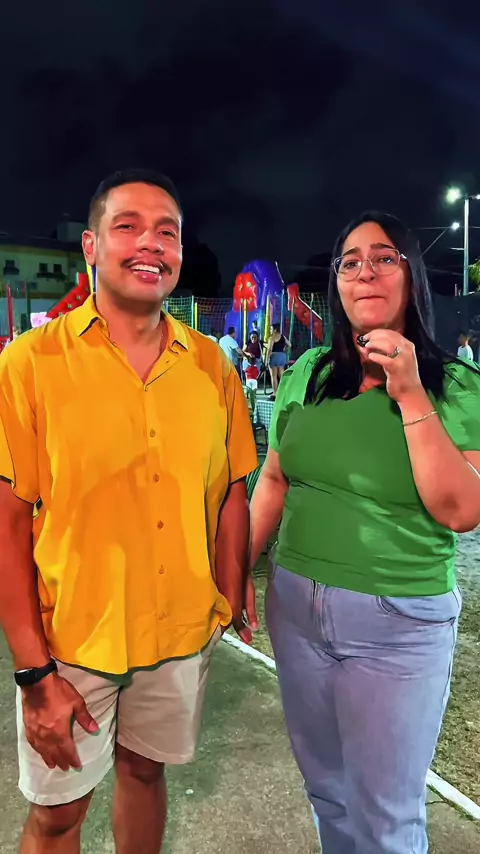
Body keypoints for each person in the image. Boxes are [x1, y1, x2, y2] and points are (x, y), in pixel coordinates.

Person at [0, 168, 258, 854]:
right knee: (58, 814)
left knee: (145, 776)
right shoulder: (31, 364)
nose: (151, 244)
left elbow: (233, 486)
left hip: (178, 634)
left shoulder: (211, 367)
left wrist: (230, 588)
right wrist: (33, 672)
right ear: (91, 246)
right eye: (128, 227)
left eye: (167, 232)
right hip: (73, 640)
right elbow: (8, 522)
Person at [250, 211, 480, 854]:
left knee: (386, 819)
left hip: (398, 620)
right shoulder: (309, 373)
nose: (365, 272)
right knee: (327, 793)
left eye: (384, 258)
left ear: (412, 276)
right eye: (349, 262)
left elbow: (461, 510)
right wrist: (236, 568)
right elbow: (273, 481)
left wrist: (410, 394)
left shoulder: (456, 386)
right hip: (295, 608)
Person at [266, 322, 290, 400]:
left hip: (274, 356)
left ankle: (275, 393)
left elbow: (269, 349)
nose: (270, 330)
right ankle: (285, 391)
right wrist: (284, 349)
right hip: (282, 356)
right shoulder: (283, 337)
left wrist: (267, 359)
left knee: (274, 376)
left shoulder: (272, 337)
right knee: (282, 375)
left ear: (275, 329)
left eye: (271, 329)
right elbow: (289, 345)